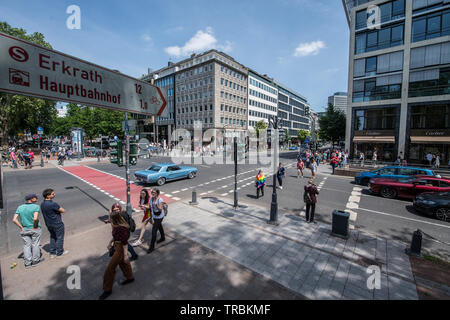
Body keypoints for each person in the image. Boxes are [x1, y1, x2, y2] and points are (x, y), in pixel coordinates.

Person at [100, 210, 135, 300]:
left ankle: (107, 290)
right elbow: (115, 236)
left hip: (120, 248)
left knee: (110, 269)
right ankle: (130, 277)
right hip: (117, 245)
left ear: (114, 219)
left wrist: (125, 255)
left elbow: (125, 243)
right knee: (123, 263)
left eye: (110, 219)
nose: (109, 220)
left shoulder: (121, 228)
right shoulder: (116, 226)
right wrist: (110, 243)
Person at [12, 194, 43, 268]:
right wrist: (35, 227)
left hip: (24, 229)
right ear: (31, 199)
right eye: (35, 197)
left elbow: (14, 219)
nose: (37, 198)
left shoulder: (20, 207)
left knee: (26, 245)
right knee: (35, 244)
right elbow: (35, 219)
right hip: (34, 228)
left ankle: (27, 263)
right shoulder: (36, 206)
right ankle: (35, 261)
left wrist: (21, 227)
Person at [41, 189, 68, 258]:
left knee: (52, 237)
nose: (54, 195)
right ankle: (60, 252)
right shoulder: (53, 204)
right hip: (57, 223)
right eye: (52, 194)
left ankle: (52, 253)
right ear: (48, 196)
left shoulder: (42, 204)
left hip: (48, 224)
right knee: (60, 238)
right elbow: (63, 210)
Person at [147, 189, 166, 254]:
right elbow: (150, 208)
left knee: (154, 231)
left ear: (157, 193)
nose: (153, 193)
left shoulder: (160, 200)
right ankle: (163, 237)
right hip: (154, 216)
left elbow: (160, 210)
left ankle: (151, 247)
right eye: (152, 192)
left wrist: (157, 206)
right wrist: (150, 217)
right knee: (159, 226)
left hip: (160, 216)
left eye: (154, 192)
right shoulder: (151, 199)